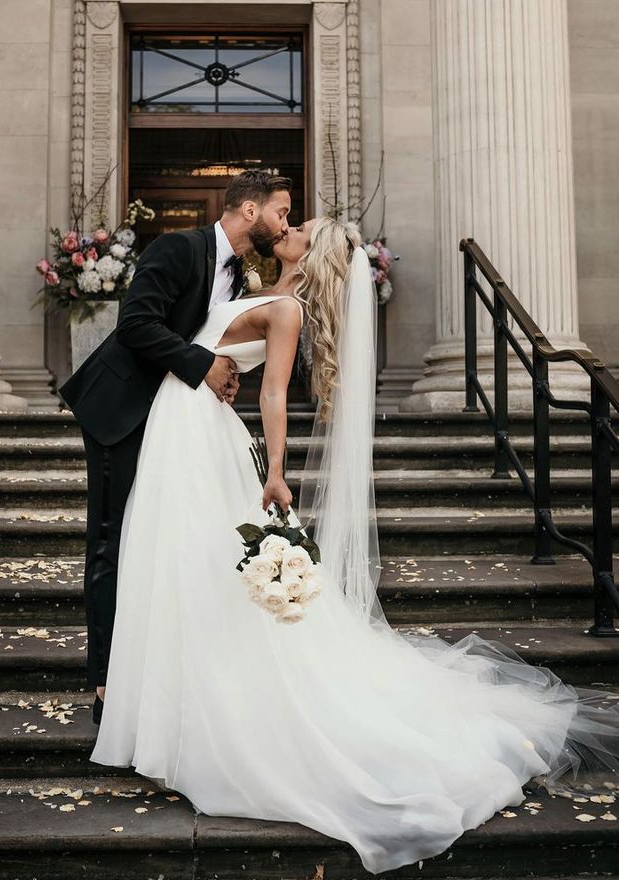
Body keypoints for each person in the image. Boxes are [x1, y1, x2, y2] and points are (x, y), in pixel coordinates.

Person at [89, 217, 619, 876]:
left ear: (312, 255)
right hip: (186, 418)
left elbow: (276, 392)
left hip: (202, 433)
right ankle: (164, 710)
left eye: (299, 227)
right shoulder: (249, 280)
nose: (286, 225)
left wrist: (276, 469)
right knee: (181, 568)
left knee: (197, 568)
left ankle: (191, 713)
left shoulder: (285, 307)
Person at [58, 170, 292, 724]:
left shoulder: (240, 275)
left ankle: (154, 675)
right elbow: (136, 324)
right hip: (123, 410)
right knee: (113, 541)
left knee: (155, 542)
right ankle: (106, 684)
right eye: (281, 212)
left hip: (176, 421)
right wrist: (203, 365)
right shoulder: (179, 247)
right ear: (250, 211)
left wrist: (221, 374)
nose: (284, 224)